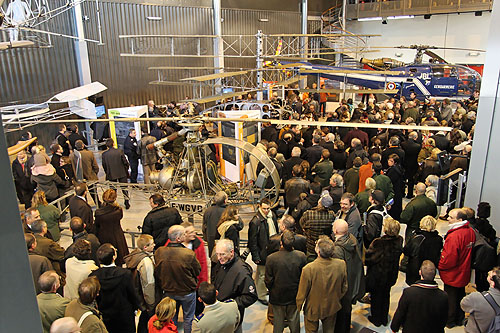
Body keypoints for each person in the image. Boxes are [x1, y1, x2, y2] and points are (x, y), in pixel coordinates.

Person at [154, 225, 201, 333]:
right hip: (187, 292)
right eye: (184, 234)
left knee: (171, 318)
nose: (186, 235)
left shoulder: (160, 252)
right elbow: (197, 271)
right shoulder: (188, 254)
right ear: (178, 238)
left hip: (169, 291)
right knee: (188, 319)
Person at [296, 236, 348, 333]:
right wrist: (336, 298)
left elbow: (302, 293)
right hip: (332, 306)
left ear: (318, 252)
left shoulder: (308, 269)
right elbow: (344, 287)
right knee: (329, 330)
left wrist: (298, 308)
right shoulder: (341, 264)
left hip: (313, 308)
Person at [438, 208, 475, 328]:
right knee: (460, 295)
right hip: (464, 271)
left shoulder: (455, 236)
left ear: (460, 219)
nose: (448, 219)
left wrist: (440, 266)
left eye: (451, 217)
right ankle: (460, 318)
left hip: (453, 274)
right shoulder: (470, 231)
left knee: (451, 299)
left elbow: (449, 258)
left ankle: (449, 321)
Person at [89, 243, 138, 333]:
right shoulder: (125, 274)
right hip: (124, 316)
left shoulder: (93, 276)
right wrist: (135, 308)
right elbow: (132, 294)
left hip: (106, 315)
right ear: (114, 257)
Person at [212, 239, 258, 333]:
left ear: (231, 252)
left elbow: (251, 296)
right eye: (217, 254)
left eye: (222, 254)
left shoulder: (242, 272)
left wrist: (230, 304)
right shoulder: (222, 263)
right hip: (219, 311)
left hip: (231, 314)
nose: (219, 257)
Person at [265, 231, 307, 333]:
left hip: (277, 295)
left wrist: (272, 289)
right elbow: (303, 277)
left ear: (281, 243)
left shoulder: (271, 258)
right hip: (294, 294)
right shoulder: (301, 256)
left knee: (278, 322)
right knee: (294, 320)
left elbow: (268, 280)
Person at [365, 217, 403, 327]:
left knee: (376, 298)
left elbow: (369, 259)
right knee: (386, 296)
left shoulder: (378, 243)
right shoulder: (399, 240)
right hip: (391, 275)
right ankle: (384, 318)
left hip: (378, 276)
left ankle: (376, 319)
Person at [391, 261, 449, 333]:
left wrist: (394, 328)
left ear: (420, 272)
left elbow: (400, 313)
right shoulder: (443, 296)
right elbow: (444, 319)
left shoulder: (409, 292)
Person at [331, 219, 364, 333]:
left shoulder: (337, 250)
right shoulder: (352, 239)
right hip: (352, 280)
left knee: (340, 313)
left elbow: (337, 272)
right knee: (346, 310)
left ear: (335, 230)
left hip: (342, 286)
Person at [248, 198, 279, 305]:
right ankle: (260, 295)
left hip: (272, 249)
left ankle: (262, 290)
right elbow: (252, 241)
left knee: (267, 273)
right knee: (261, 275)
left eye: (268, 208)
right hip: (262, 252)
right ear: (260, 207)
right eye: (264, 208)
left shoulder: (272, 216)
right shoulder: (255, 221)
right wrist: (255, 256)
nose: (266, 211)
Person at [124, 234, 156, 333]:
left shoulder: (135, 255)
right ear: (145, 247)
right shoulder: (146, 262)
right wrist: (151, 304)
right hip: (146, 300)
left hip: (138, 297)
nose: (154, 245)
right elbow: (148, 285)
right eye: (152, 244)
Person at [404, 215, 443, 286]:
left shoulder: (416, 237)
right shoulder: (438, 239)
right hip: (429, 268)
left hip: (415, 267)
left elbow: (407, 251)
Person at [94, 189, 129, 266]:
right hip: (117, 235)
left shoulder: (99, 213)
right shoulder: (119, 210)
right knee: (119, 257)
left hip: (104, 236)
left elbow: (97, 224)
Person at [461, 267, 500, 332]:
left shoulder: (476, 297)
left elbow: (463, 305)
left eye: (491, 275)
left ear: (493, 283)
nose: (489, 272)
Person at [300, 193, 335, 259]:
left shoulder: (308, 214)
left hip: (311, 246)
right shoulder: (332, 215)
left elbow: (302, 224)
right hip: (324, 247)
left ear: (319, 202)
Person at [31, 220, 66, 285]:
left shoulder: (30, 241)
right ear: (43, 229)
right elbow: (62, 254)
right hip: (51, 272)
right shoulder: (49, 243)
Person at [101, 138, 130, 209]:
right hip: (121, 172)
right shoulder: (119, 151)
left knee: (112, 190)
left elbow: (104, 165)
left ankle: (113, 203)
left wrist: (107, 172)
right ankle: (126, 202)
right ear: (113, 143)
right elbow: (125, 162)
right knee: (124, 189)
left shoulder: (104, 154)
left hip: (111, 174)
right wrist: (126, 170)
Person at [202, 191, 227, 256]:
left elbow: (204, 227)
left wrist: (207, 239)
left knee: (214, 260)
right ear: (225, 201)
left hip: (211, 242)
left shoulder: (208, 211)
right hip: (225, 243)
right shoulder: (227, 211)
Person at [401, 131, 421, 198]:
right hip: (413, 165)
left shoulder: (403, 144)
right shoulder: (418, 146)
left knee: (403, 179)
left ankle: (402, 193)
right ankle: (409, 194)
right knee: (411, 180)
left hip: (404, 164)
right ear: (415, 138)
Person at [386, 153, 404, 220]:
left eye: (391, 161)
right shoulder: (398, 168)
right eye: (389, 160)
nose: (389, 162)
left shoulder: (393, 170)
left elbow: (389, 180)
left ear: (395, 162)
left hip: (394, 191)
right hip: (398, 190)